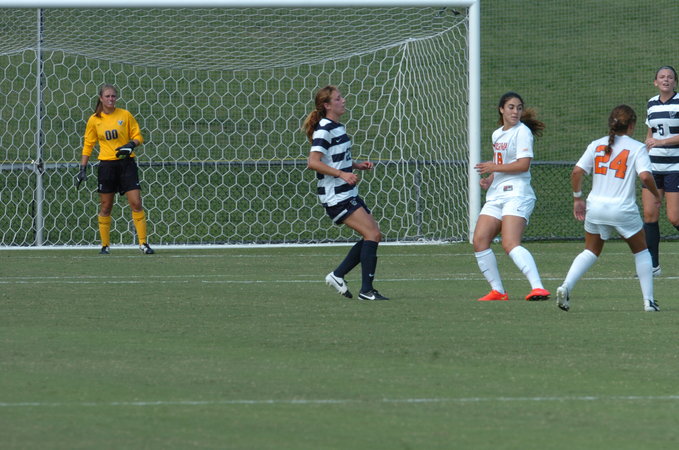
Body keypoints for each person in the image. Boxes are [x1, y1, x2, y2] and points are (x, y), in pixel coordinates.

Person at [556, 105, 661, 312]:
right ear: (631, 125)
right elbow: (645, 176)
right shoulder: (637, 147)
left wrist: (577, 198)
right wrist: (656, 195)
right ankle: (648, 301)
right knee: (641, 251)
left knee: (590, 251)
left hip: (595, 208)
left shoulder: (596, 145)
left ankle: (566, 286)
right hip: (622, 209)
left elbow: (576, 172)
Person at [303, 85, 388, 301]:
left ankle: (339, 275)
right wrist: (342, 174)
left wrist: (356, 166)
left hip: (347, 192)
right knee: (372, 235)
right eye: (338, 98)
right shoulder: (324, 129)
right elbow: (313, 162)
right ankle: (366, 290)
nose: (343, 100)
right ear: (327, 105)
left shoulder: (337, 127)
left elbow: (335, 158)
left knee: (374, 234)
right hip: (336, 196)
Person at [472, 91, 550, 301]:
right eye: (511, 107)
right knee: (479, 240)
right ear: (501, 109)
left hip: (517, 194)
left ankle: (538, 287)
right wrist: (490, 178)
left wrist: (494, 167)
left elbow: (523, 165)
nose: (515, 111)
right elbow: (502, 163)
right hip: (496, 194)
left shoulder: (522, 132)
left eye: (519, 108)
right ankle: (498, 291)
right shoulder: (497, 134)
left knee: (510, 242)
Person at [75, 84, 154, 255]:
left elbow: (138, 136)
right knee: (106, 206)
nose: (111, 99)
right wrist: (82, 168)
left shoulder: (125, 115)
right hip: (107, 166)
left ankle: (143, 243)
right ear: (101, 98)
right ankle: (105, 245)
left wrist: (131, 144)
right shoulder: (94, 120)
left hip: (127, 164)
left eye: (113, 96)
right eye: (108, 96)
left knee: (136, 203)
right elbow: (88, 144)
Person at [641, 65, 679, 276]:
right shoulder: (651, 104)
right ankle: (653, 266)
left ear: (675, 82)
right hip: (654, 167)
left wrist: (662, 142)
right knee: (649, 215)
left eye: (670, 77)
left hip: (675, 167)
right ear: (655, 82)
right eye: (662, 77)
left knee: (674, 218)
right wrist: (646, 149)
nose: (666, 80)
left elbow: (660, 139)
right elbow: (651, 133)